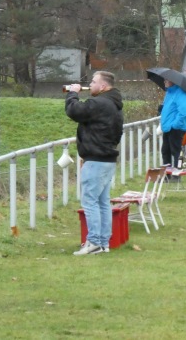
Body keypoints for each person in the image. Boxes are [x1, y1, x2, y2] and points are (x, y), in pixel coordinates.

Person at [65, 71, 123, 255]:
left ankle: (94, 242)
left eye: (93, 81)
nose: (90, 84)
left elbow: (75, 111)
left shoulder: (99, 103)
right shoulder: (114, 105)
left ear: (103, 86)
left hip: (96, 159)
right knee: (103, 201)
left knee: (89, 201)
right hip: (108, 159)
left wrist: (72, 94)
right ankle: (103, 242)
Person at [160, 78, 186, 170]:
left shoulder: (181, 93)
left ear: (173, 81)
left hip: (175, 128)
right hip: (167, 127)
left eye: (166, 80)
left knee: (176, 152)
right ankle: (167, 174)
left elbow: (184, 111)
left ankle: (177, 173)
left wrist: (175, 125)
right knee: (165, 151)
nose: (164, 81)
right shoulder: (169, 93)